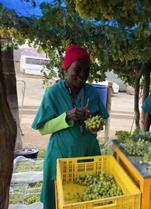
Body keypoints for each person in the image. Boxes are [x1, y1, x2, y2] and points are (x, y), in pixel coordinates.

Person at [32, 45, 109, 209]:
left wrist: (95, 125)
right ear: (67, 67)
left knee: (86, 199)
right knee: (59, 200)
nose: (82, 75)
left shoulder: (92, 93)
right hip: (61, 157)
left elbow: (101, 120)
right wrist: (65, 117)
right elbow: (43, 128)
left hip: (88, 156)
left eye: (86, 70)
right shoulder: (53, 93)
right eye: (77, 69)